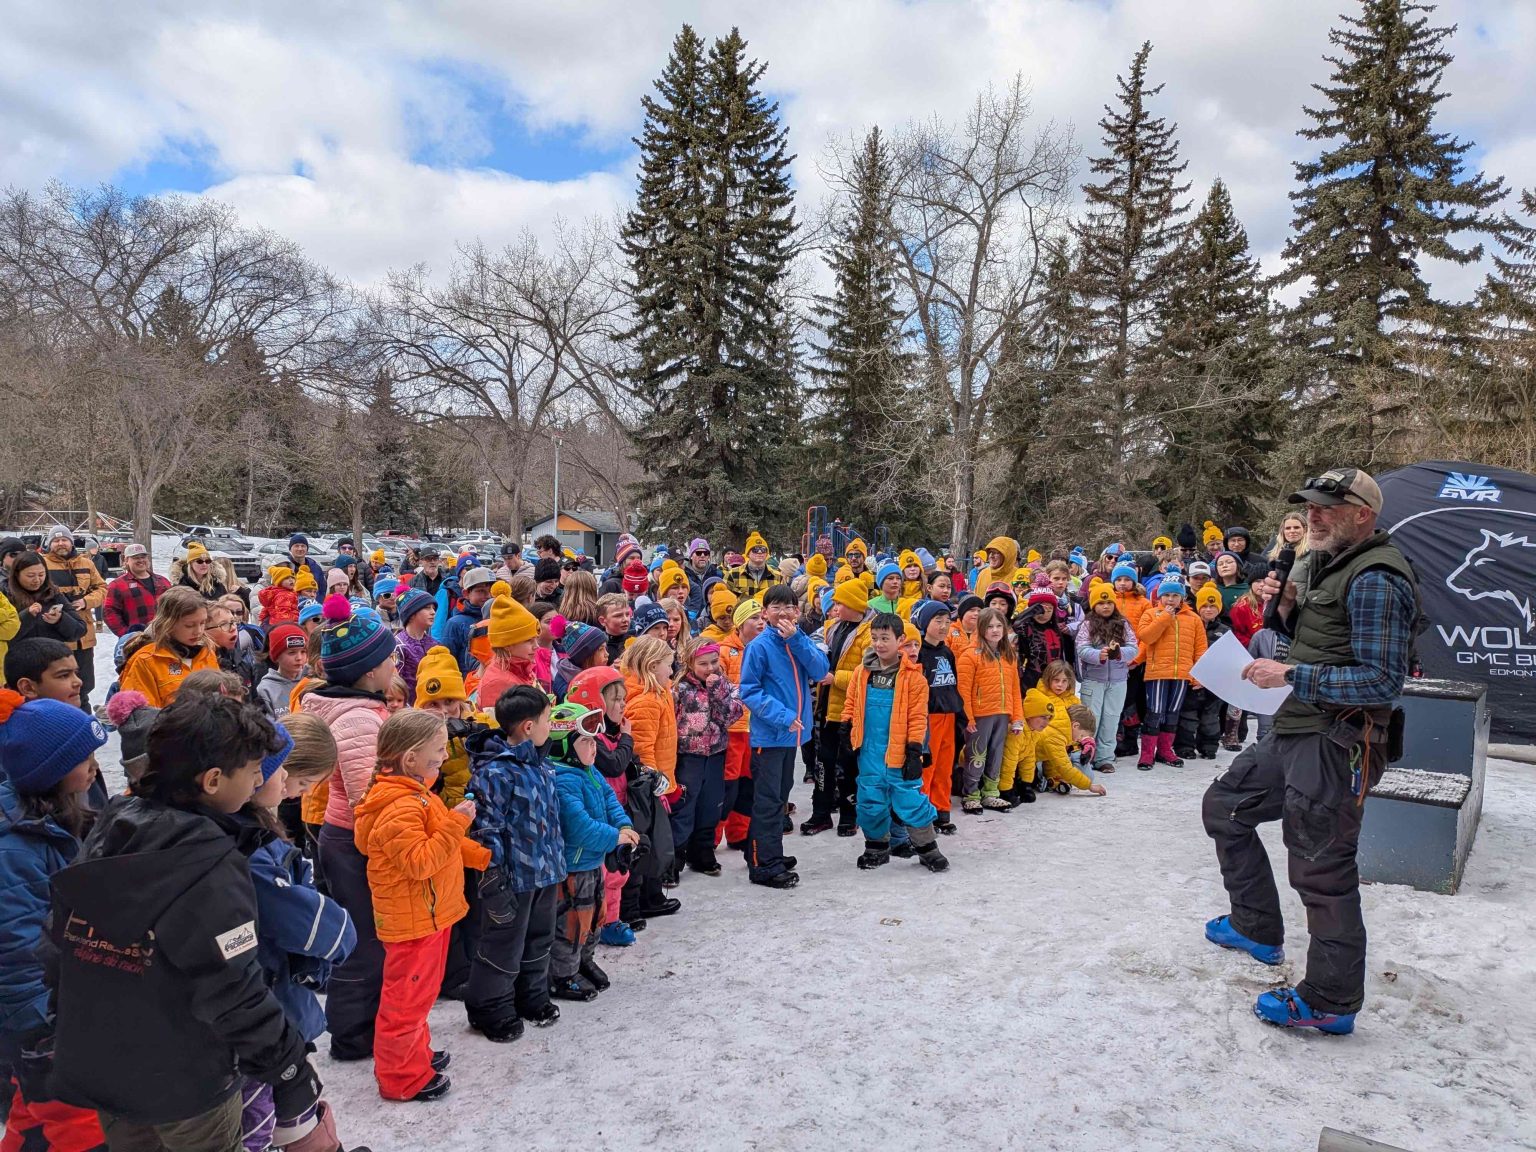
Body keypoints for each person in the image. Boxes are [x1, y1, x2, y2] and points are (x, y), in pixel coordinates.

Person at [46, 695, 336, 1152]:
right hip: (184, 1081)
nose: (259, 780)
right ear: (214, 780)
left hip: (106, 1063)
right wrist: (290, 1069)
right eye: (253, 771)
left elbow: (59, 940)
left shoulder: (113, 823)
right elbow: (233, 989)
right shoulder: (210, 862)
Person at [1203, 468, 1417, 1035]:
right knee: (1225, 807)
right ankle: (1255, 926)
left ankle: (1330, 1000)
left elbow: (1381, 681)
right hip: (1297, 727)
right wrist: (1284, 608)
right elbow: (1323, 640)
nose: (1313, 516)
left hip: (1338, 740)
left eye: (1326, 507)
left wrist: (1290, 674)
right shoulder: (1328, 564)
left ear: (1362, 514)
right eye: (1309, 507)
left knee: (1321, 868)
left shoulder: (1376, 577)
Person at [353, 709, 488, 1101]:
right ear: (410, 758)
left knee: (421, 996)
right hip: (413, 923)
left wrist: (483, 857)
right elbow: (422, 861)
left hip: (429, 915)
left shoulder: (418, 795)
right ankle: (401, 1078)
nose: (445, 756)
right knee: (404, 1004)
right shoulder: (399, 808)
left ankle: (416, 1055)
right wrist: (457, 822)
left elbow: (443, 843)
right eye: (438, 750)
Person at [0, 691, 109, 1152]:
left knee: (32, 1112)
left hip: (58, 1004)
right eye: (84, 759)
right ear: (50, 770)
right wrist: (44, 1029)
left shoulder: (51, 819)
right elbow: (15, 949)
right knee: (73, 1123)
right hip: (38, 1019)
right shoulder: (15, 848)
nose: (95, 768)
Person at [299, 596, 397, 1062]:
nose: (396, 664)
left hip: (350, 835)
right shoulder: (358, 719)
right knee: (364, 941)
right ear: (369, 670)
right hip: (355, 838)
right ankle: (353, 1034)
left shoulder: (362, 707)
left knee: (369, 936)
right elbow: (367, 798)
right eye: (390, 658)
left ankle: (369, 1025)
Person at [463, 685, 567, 1042]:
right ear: (528, 726)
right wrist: (493, 876)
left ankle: (531, 996)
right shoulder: (495, 772)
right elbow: (486, 828)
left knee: (539, 939)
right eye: (547, 720)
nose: (550, 726)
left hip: (545, 870)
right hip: (513, 876)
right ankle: (490, 1007)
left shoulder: (542, 765)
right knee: (504, 943)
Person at [737, 585, 828, 889]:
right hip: (770, 736)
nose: (783, 613)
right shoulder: (759, 647)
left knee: (780, 798)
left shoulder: (798, 641)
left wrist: (796, 639)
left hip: (791, 736)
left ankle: (763, 852)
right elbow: (749, 691)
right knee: (768, 801)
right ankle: (765, 864)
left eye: (788, 607)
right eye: (775, 607)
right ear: (764, 613)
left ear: (797, 612)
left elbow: (820, 670)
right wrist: (783, 716)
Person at [841, 614, 947, 873]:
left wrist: (915, 750)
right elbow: (851, 704)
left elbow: (918, 718)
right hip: (869, 752)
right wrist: (846, 730)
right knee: (870, 800)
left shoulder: (914, 678)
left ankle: (927, 849)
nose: (879, 644)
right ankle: (876, 847)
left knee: (910, 800)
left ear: (900, 640)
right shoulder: (861, 673)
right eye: (875, 638)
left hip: (899, 753)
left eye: (885, 638)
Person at [671, 637, 743, 878]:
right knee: (684, 807)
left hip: (715, 754)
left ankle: (702, 852)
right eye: (703, 663)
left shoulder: (725, 686)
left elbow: (731, 716)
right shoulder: (680, 689)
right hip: (688, 756)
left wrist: (718, 691)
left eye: (713, 662)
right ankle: (674, 858)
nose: (710, 668)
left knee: (711, 806)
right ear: (690, 663)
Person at [804, 580, 871, 837]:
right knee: (824, 763)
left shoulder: (869, 633)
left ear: (853, 605)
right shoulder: (832, 627)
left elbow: (869, 672)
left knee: (848, 767)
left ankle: (849, 815)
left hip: (850, 710)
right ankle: (820, 813)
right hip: (827, 708)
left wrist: (836, 678)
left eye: (840, 603)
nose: (835, 607)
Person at [1134, 577, 1207, 769]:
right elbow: (1146, 637)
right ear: (1160, 596)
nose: (1170, 599)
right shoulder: (1151, 614)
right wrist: (1165, 618)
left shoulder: (1194, 618)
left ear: (1182, 597)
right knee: (1155, 712)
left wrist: (1199, 675)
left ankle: (1165, 750)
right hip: (1157, 672)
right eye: (1166, 595)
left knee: (1173, 713)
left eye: (1175, 595)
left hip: (1182, 674)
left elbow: (1200, 648)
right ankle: (1147, 754)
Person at [957, 607, 1023, 814]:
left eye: (999, 626)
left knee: (996, 753)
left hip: (1002, 713)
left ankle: (991, 792)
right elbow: (963, 690)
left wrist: (1017, 717)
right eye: (990, 626)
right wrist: (968, 717)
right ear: (981, 629)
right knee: (977, 754)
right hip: (980, 715)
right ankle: (971, 794)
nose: (995, 630)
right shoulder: (970, 656)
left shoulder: (1008, 655)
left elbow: (1014, 689)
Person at [117, 586, 220, 708]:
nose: (198, 631)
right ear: (168, 624)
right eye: (189, 625)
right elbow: (141, 715)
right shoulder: (146, 661)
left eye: (202, 623)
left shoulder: (207, 653)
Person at [40, 530, 107, 712]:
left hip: (84, 638)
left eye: (64, 540)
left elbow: (101, 588)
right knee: (57, 686)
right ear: (49, 544)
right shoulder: (42, 564)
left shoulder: (86, 563)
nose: (61, 543)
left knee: (84, 685)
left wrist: (86, 601)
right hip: (56, 638)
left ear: (71, 542)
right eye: (56, 540)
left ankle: (84, 720)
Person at [1075, 585, 1139, 773]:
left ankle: (1104, 758)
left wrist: (1120, 653)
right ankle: (1087, 754)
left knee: (1111, 719)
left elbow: (1133, 648)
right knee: (1092, 718)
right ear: (1094, 605)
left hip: (1118, 680)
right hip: (1094, 680)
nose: (1106, 606)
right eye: (1101, 603)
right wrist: (1098, 655)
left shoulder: (1123, 624)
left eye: (1109, 602)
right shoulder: (1087, 625)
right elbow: (1082, 648)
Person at [913, 600, 963, 835]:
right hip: (929, 717)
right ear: (925, 623)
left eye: (947, 622)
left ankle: (942, 809)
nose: (943, 626)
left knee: (945, 766)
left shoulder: (947, 652)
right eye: (938, 621)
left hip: (948, 715)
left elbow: (954, 683)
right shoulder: (919, 653)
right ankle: (923, 814)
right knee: (928, 767)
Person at [6, 552, 87, 653]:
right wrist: (26, 617)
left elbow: (80, 630)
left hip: (53, 658)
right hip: (18, 659)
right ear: (16, 574)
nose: (37, 580)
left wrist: (60, 620)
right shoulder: (5, 596)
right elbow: (4, 636)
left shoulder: (53, 594)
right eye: (30, 575)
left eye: (41, 575)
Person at [476, 595, 541, 708]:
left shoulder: (522, 669)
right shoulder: (497, 683)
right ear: (507, 645)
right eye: (528, 641)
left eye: (536, 639)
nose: (537, 646)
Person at [103, 543, 171, 637]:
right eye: (136, 558)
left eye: (143, 557)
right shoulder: (117, 585)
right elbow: (109, 613)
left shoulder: (163, 581)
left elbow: (175, 608)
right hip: (138, 640)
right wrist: (126, 635)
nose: (141, 560)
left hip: (165, 637)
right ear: (126, 560)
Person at [444, 569, 494, 674]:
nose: (488, 595)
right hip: (468, 681)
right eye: (481, 591)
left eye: (491, 590)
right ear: (466, 593)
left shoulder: (499, 617)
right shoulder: (455, 624)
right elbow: (446, 661)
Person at [394, 588, 438, 701]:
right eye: (427, 608)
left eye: (433, 608)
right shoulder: (398, 646)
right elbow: (394, 684)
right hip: (408, 707)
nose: (433, 612)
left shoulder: (435, 645)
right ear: (411, 614)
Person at [258, 625, 309, 714]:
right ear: (277, 656)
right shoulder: (265, 689)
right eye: (292, 652)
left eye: (303, 652)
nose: (299, 658)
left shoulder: (310, 681)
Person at [725, 531, 779, 599]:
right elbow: (724, 600)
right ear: (748, 553)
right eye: (755, 549)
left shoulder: (778, 576)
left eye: (763, 549)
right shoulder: (732, 575)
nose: (760, 552)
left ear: (766, 554)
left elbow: (784, 601)